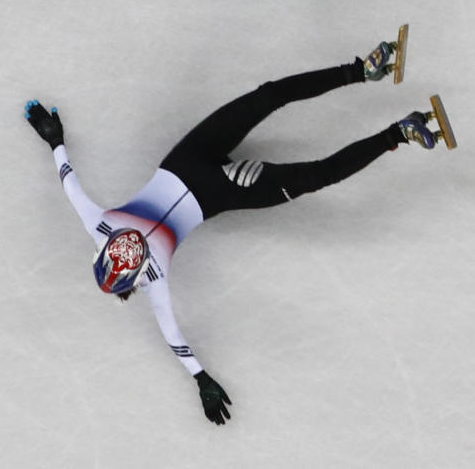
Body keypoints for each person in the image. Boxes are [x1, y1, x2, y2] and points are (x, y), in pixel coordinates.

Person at [23, 38, 448, 425]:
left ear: (105, 246)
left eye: (120, 243)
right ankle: (400, 132)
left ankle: (362, 70)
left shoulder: (97, 223)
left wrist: (54, 139)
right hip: (218, 192)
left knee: (267, 96)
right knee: (318, 176)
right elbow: (172, 335)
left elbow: (68, 182)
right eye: (132, 253)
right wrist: (200, 379)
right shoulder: (153, 282)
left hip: (188, 159)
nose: (127, 243)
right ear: (134, 275)